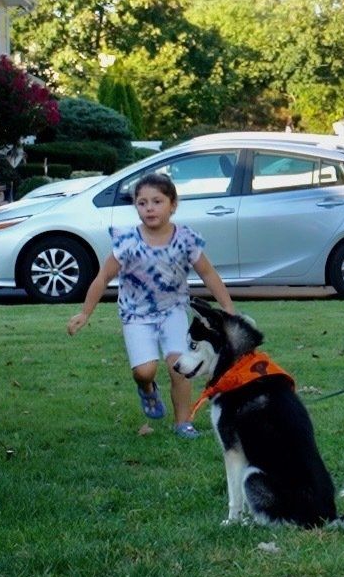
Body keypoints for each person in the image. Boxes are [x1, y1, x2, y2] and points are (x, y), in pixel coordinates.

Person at [67, 173, 236, 439]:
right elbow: (103, 277)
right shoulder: (127, 241)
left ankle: (183, 423)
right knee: (144, 371)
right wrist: (85, 313)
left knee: (180, 366)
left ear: (173, 205)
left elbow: (209, 274)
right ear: (135, 206)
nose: (149, 208)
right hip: (136, 315)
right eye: (142, 203)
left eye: (157, 201)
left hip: (174, 311)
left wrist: (227, 309)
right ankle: (146, 389)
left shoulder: (186, 239)